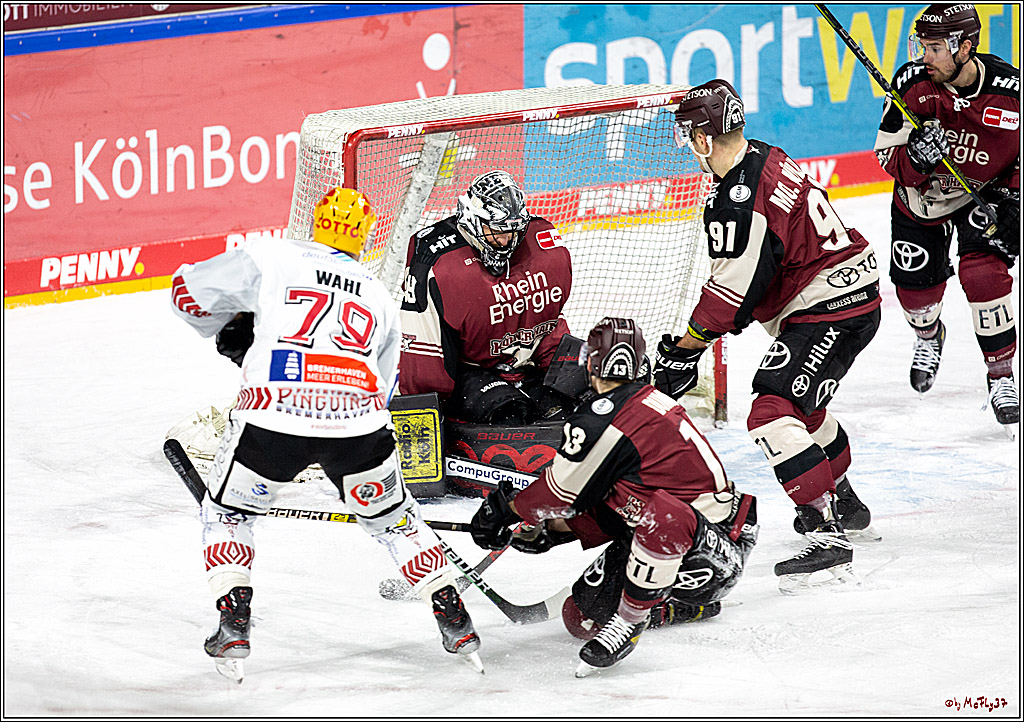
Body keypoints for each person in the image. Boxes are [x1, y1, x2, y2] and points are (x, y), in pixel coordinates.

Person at [170, 187, 483, 681]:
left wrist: (229, 331)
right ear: (364, 235)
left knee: (227, 514)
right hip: (358, 428)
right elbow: (385, 385)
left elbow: (186, 292)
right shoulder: (378, 294)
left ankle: (234, 622)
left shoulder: (275, 254)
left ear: (315, 223)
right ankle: (454, 617)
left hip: (273, 421)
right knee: (396, 522)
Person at [654, 79, 881, 593]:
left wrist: (683, 349)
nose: (687, 145)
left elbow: (730, 295)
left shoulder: (739, 198)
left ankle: (827, 536)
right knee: (806, 410)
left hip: (830, 306)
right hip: (847, 294)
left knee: (772, 411)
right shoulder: (764, 154)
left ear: (704, 137)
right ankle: (843, 498)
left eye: (690, 134)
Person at [468, 317, 758, 675]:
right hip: (682, 540)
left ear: (590, 362)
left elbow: (559, 493)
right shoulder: (638, 402)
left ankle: (632, 621)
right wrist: (556, 532)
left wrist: (506, 510)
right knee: (581, 618)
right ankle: (681, 606)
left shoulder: (605, 417)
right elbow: (614, 498)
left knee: (664, 512)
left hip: (711, 552)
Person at [874, 3, 1019, 428]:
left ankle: (1001, 375)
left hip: (984, 194)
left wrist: (1014, 201)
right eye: (922, 45)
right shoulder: (912, 83)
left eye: (934, 47)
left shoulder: (1012, 92)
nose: (924, 56)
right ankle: (928, 334)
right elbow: (886, 153)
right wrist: (916, 157)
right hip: (923, 199)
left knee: (985, 277)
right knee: (915, 295)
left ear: (965, 47)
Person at [398, 169, 576, 424]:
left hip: (528, 364)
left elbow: (550, 326)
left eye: (511, 232)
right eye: (496, 231)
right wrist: (422, 416)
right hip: (470, 372)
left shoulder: (546, 246)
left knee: (584, 397)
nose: (505, 241)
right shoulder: (439, 263)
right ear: (472, 219)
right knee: (510, 416)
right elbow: (424, 357)